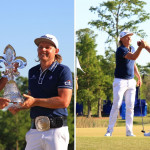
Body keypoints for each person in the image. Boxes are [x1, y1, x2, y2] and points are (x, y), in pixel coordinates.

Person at [9, 34, 73, 150]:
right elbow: (30, 99)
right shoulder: (32, 71)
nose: (43, 49)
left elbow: (64, 101)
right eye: (40, 47)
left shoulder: (63, 70)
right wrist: (17, 105)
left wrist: (35, 101)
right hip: (34, 131)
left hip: (56, 132)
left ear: (56, 51)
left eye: (47, 47)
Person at [104, 30, 147, 137]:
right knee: (116, 105)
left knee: (130, 107)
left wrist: (139, 77)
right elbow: (133, 57)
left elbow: (133, 63)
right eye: (127, 37)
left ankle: (129, 131)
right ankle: (109, 131)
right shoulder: (121, 50)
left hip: (131, 81)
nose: (129, 38)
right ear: (122, 39)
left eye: (130, 36)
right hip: (120, 81)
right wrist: (141, 47)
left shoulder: (131, 48)